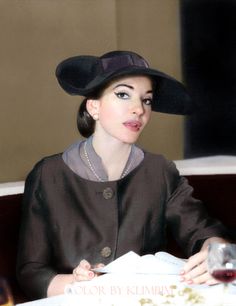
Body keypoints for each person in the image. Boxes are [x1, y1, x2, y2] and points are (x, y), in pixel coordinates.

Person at [16, 50, 229, 300]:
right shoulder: (49, 174)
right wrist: (77, 284)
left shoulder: (160, 171)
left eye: (146, 100)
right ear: (93, 106)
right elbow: (31, 273)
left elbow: (202, 230)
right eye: (123, 95)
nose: (138, 109)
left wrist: (219, 255)